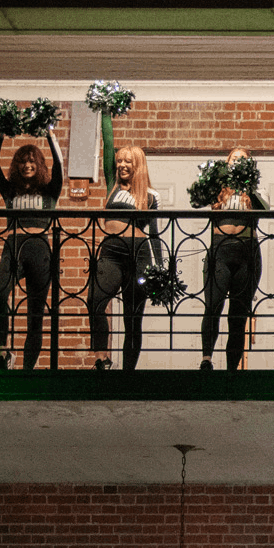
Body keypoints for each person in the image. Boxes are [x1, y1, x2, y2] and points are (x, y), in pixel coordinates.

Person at [88, 124, 163, 373]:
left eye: (127, 162)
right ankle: (101, 358)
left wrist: (159, 269)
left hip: (138, 255)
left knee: (133, 317)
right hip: (110, 253)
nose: (121, 165)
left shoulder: (151, 195)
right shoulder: (112, 185)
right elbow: (107, 145)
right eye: (119, 161)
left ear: (137, 165)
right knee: (96, 301)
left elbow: (154, 233)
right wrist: (105, 112)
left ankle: (128, 372)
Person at [0, 124, 63, 370]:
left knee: (35, 315)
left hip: (40, 250)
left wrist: (50, 134)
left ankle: (28, 370)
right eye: (22, 161)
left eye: (31, 161)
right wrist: (0, 135)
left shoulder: (50, 190)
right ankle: (3, 353)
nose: (27, 165)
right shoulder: (10, 190)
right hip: (14, 246)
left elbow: (60, 165)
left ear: (39, 164)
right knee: (0, 291)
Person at [200, 148, 267, 372]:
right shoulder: (218, 189)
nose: (238, 163)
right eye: (234, 159)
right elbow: (197, 199)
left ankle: (232, 368)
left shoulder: (255, 189)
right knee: (213, 306)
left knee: (238, 314)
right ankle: (206, 359)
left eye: (243, 160)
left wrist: (249, 184)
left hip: (247, 253)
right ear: (227, 163)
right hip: (220, 251)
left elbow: (266, 208)